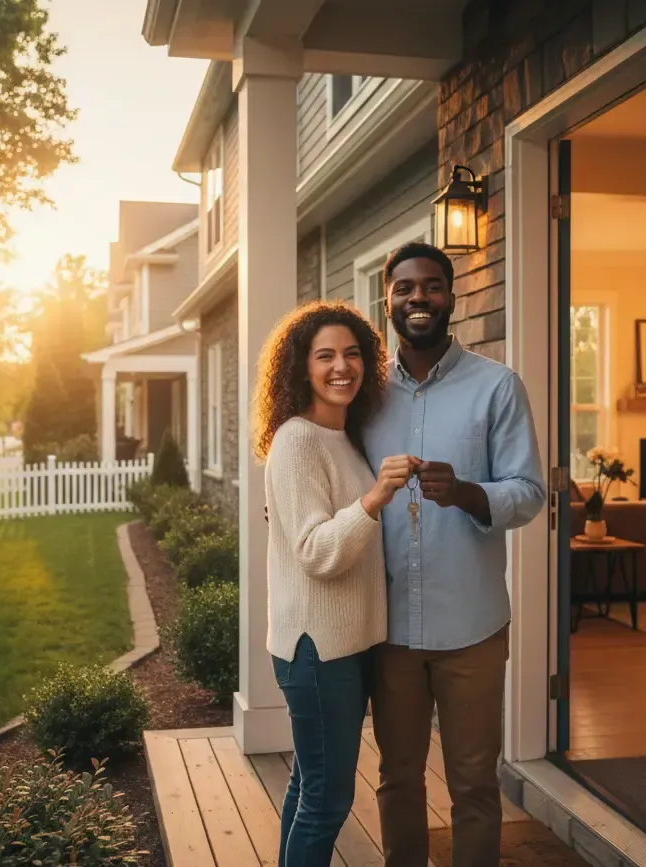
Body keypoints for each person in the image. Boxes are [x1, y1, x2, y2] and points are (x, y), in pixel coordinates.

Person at [364, 242, 546, 867]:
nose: (419, 298)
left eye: (433, 286)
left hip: (470, 628)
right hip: (388, 630)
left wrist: (468, 492)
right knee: (397, 779)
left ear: (451, 297)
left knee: (473, 783)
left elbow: (529, 494)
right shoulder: (364, 395)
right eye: (405, 287)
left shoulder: (497, 387)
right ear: (387, 299)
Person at [254, 301, 417, 867]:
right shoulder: (297, 440)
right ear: (301, 367)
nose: (340, 366)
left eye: (352, 354)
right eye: (325, 355)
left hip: (345, 648)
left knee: (309, 785)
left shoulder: (343, 439)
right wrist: (374, 500)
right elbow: (316, 552)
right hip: (318, 652)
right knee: (328, 798)